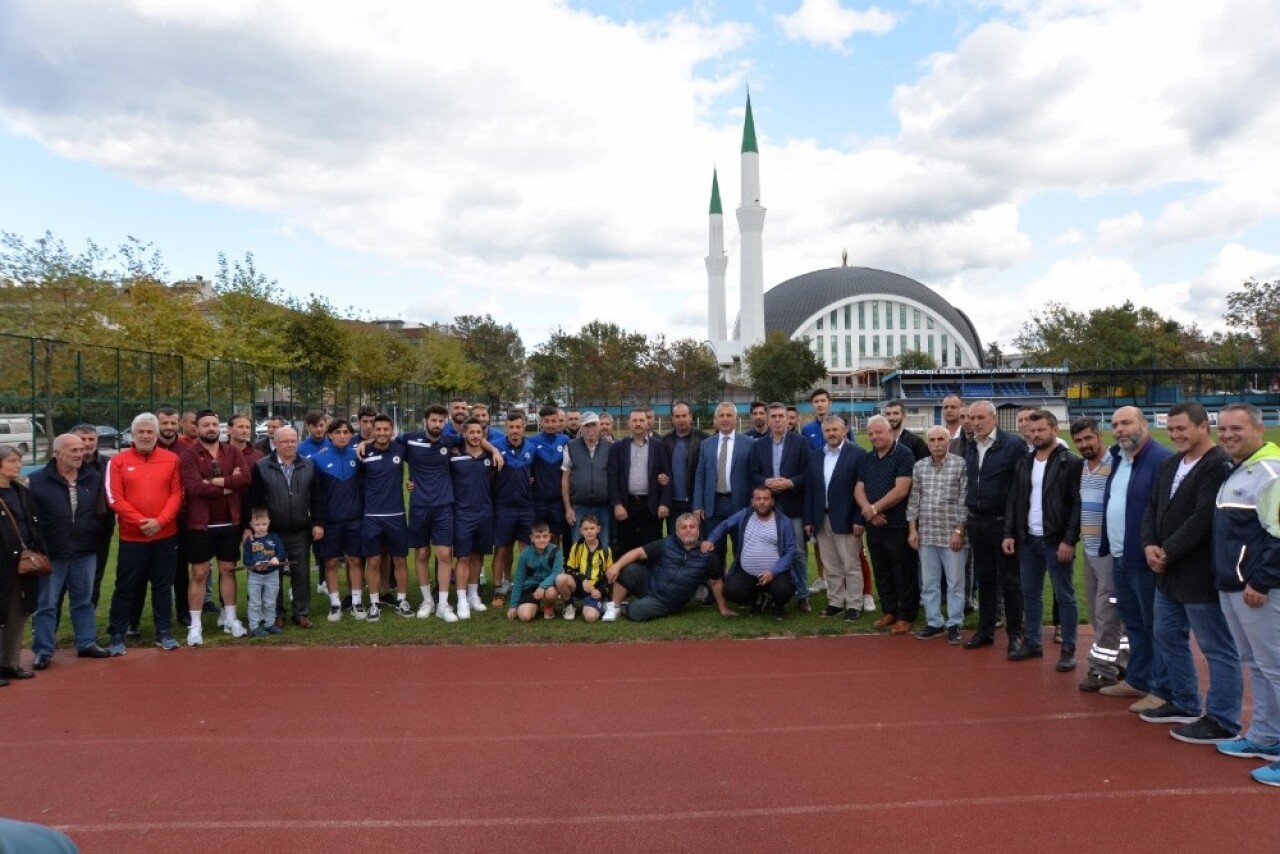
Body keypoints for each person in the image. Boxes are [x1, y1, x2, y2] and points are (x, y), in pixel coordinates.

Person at [1140, 402, 1239, 743]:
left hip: (1199, 574)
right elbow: (1153, 507)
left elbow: (1203, 518)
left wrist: (1167, 551)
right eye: (1171, 429)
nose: (1176, 435)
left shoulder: (1217, 465)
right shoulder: (1171, 462)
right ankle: (1183, 701)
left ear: (1202, 427)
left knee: (1217, 647)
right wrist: (1149, 544)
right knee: (1167, 635)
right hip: (1167, 573)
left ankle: (1223, 720)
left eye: (1182, 428)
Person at [1209, 403, 1280, 786]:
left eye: (1237, 428)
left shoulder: (1271, 471)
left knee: (1276, 668)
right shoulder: (1240, 468)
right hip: (1235, 586)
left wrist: (1261, 581)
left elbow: (1279, 535)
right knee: (1257, 664)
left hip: (1258, 590)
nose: (1228, 435)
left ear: (1258, 427)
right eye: (1223, 429)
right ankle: (1267, 737)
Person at [1099, 406, 1173, 713]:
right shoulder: (1120, 458)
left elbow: (1166, 510)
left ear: (1144, 424)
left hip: (1145, 558)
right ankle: (1139, 679)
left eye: (1126, 423)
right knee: (1135, 624)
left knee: (1156, 626)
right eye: (1115, 424)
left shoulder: (1161, 459)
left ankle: (1164, 688)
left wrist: (1156, 546)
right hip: (1121, 556)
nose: (1120, 429)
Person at [1002, 410, 1082, 668]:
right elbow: (1014, 499)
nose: (1035, 435)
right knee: (1031, 593)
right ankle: (1033, 643)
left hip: (1056, 541)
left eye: (1041, 430)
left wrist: (1069, 540)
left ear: (1054, 430)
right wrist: (1009, 533)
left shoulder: (1070, 462)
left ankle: (1068, 649)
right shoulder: (1025, 462)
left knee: (1065, 596)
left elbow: (1076, 507)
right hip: (1028, 540)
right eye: (1032, 431)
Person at [28, 434, 111, 667]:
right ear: (57, 454)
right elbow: (30, 519)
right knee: (47, 602)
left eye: (80, 449)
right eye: (73, 450)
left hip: (85, 551)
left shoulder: (93, 478)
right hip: (52, 553)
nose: (79, 454)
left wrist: (94, 535)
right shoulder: (37, 481)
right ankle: (43, 650)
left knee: (83, 600)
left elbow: (101, 513)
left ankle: (86, 643)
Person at [105, 413, 184, 654]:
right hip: (133, 538)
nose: (146, 436)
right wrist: (140, 521)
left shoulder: (171, 459)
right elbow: (114, 497)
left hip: (165, 535)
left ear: (157, 434)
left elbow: (177, 494)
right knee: (126, 587)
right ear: (133, 434)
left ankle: (164, 632)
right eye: (141, 431)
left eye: (150, 432)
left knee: (162, 586)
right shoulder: (118, 461)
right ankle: (117, 634)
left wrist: (160, 521)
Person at [180, 410, 251, 646]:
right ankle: (195, 625)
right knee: (200, 573)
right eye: (206, 425)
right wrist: (226, 486)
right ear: (197, 429)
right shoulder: (189, 455)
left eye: (214, 424)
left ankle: (230, 618)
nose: (211, 428)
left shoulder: (231, 451)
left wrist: (214, 482)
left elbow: (245, 479)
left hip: (230, 522)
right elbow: (194, 488)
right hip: (200, 523)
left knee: (228, 570)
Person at [961, 400, 1027, 650]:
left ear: (994, 418)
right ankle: (985, 630)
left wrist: (1011, 527)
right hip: (978, 521)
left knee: (1010, 580)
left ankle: (1014, 635)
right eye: (971, 418)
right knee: (986, 578)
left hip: (1003, 523)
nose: (975, 422)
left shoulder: (1013, 445)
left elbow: (1020, 489)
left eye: (980, 418)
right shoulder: (970, 444)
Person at [245, 426, 324, 629]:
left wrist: (317, 523)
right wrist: (255, 528)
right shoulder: (262, 466)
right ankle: (277, 613)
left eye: (293, 441)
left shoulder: (308, 465)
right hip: (272, 532)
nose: (290, 445)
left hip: (300, 529)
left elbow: (316, 498)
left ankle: (301, 613)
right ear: (276, 444)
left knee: (301, 574)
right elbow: (254, 499)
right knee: (273, 574)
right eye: (285, 442)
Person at [1070, 417, 1128, 691]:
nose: (1084, 445)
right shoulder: (1082, 468)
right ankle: (1126, 662)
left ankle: (1102, 669)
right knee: (1099, 612)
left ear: (1099, 436)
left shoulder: (1117, 465)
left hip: (1111, 551)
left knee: (1107, 611)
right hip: (1090, 551)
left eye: (1088, 439)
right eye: (1079, 441)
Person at [602, 512, 733, 622]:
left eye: (692, 527)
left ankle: (624, 608)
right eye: (684, 527)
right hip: (650, 584)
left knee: (637, 611)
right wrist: (616, 566)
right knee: (628, 568)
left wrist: (722, 607)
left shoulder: (708, 555)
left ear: (698, 530)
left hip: (667, 601)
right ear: (677, 532)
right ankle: (614, 606)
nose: (688, 530)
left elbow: (716, 582)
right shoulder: (667, 543)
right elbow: (638, 552)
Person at [906, 425, 969, 643]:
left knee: (955, 583)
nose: (936, 444)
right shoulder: (920, 466)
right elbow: (914, 500)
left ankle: (954, 623)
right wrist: (913, 530)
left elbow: (964, 500)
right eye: (932, 440)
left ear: (949, 441)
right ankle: (934, 621)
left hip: (953, 535)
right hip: (927, 535)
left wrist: (959, 530)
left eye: (940, 439)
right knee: (929, 582)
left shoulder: (960, 465)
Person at [857, 415, 917, 634]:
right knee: (882, 571)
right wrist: (869, 512)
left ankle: (906, 615)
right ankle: (889, 610)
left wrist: (875, 508)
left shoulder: (904, 454)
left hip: (898, 526)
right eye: (871, 433)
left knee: (903, 572)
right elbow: (859, 488)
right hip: (874, 526)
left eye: (878, 432)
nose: (874, 437)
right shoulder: (868, 457)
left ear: (890, 431)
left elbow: (901, 490)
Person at [748, 402, 810, 610]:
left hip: (793, 505)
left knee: (798, 552)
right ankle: (766, 592)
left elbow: (807, 473)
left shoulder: (800, 442)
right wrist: (765, 482)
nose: (777, 420)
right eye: (773, 416)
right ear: (768, 418)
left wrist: (791, 482)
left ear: (787, 418)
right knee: (767, 550)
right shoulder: (758, 445)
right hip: (767, 508)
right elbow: (753, 473)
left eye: (781, 416)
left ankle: (803, 594)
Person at [804, 415, 865, 621]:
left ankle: (855, 604)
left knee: (851, 564)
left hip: (847, 519)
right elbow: (810, 490)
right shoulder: (815, 456)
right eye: (827, 430)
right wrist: (809, 520)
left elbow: (863, 491)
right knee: (830, 565)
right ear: (823, 433)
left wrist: (859, 519)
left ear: (844, 430)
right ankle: (836, 602)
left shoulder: (857, 454)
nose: (831, 434)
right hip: (822, 519)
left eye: (835, 430)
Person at [703, 486, 798, 619]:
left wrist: (773, 572)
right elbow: (725, 524)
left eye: (766, 498)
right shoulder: (745, 515)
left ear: (772, 501)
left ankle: (777, 605)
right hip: (747, 572)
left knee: (784, 590)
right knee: (730, 591)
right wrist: (711, 540)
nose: (762, 502)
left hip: (775, 573)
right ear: (753, 501)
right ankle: (757, 599)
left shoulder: (784, 522)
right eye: (758, 499)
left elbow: (790, 552)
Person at [357, 414, 412, 621]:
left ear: (392, 431)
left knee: (400, 559)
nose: (381, 433)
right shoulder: (363, 451)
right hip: (371, 515)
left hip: (396, 514)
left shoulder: (400, 448)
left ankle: (402, 600)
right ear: (373, 429)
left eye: (385, 429)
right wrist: (365, 442)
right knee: (373, 560)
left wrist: (412, 482)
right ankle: (374, 603)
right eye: (377, 429)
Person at [0, 444, 47, 684]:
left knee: (18, 613)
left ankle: (10, 662)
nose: (18, 465)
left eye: (19, 460)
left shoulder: (21, 492)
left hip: (22, 563)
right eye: (12, 461)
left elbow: (33, 524)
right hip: (3, 564)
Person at [312, 419, 365, 620]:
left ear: (351, 435)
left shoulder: (358, 455)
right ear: (329, 435)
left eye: (346, 432)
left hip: (354, 519)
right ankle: (335, 604)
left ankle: (357, 602)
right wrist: (318, 521)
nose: (342, 436)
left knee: (354, 560)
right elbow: (316, 495)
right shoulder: (318, 459)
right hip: (331, 522)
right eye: (337, 432)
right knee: (331, 562)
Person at [608, 407, 672, 557]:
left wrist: (664, 503)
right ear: (628, 423)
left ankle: (650, 579)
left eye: (641, 420)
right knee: (625, 547)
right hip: (626, 505)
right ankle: (625, 579)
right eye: (635, 420)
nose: (638, 423)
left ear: (647, 423)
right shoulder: (618, 447)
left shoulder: (659, 446)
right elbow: (612, 477)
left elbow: (668, 475)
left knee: (651, 548)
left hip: (651, 506)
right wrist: (617, 505)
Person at [695, 403, 753, 560]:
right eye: (722, 415)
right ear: (715, 419)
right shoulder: (706, 444)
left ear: (736, 419)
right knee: (714, 551)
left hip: (739, 504)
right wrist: (698, 504)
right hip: (713, 505)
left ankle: (738, 582)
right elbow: (700, 475)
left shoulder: (749, 443)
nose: (725, 419)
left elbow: (753, 475)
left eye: (729, 415)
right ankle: (718, 582)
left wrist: (752, 503)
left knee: (741, 548)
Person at [451, 418, 497, 619]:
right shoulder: (454, 457)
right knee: (463, 557)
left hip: (485, 513)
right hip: (462, 513)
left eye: (479, 432)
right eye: (472, 432)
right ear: (464, 434)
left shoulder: (491, 458)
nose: (476, 436)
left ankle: (473, 594)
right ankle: (461, 599)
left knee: (478, 555)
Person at [493, 410, 536, 606]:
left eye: (518, 427)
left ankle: (526, 585)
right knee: (502, 548)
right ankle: (499, 588)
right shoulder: (496, 447)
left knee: (526, 548)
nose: (515, 431)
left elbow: (534, 474)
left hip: (526, 506)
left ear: (524, 426)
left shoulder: (532, 448)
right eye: (511, 427)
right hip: (503, 506)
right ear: (505, 428)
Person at [70, 423, 114, 609]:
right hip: (68, 532)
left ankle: (89, 616)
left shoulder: (108, 464)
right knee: (60, 578)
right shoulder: (65, 465)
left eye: (91, 439)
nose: (87, 443)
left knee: (94, 576)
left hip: (100, 531)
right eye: (83, 439)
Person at [562, 411, 612, 550]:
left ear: (599, 426)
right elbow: (565, 477)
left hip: (604, 506)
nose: (590, 429)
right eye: (587, 426)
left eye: (593, 425)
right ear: (581, 428)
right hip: (579, 506)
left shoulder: (609, 447)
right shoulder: (571, 447)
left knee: (604, 545)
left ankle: (602, 572)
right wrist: (568, 507)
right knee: (578, 546)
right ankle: (578, 572)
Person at [555, 514, 610, 622]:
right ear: (580, 531)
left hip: (594, 588)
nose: (589, 531)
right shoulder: (576, 547)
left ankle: (601, 604)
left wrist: (600, 590)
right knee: (560, 578)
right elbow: (570, 569)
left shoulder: (605, 550)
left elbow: (609, 576)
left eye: (592, 528)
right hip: (579, 585)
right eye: (586, 529)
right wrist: (583, 580)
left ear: (598, 529)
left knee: (590, 617)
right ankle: (570, 606)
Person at [661, 401, 706, 532]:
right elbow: (660, 468)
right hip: (673, 502)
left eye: (684, 416)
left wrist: (700, 501)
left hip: (695, 501)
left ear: (691, 416)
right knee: (674, 541)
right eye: (677, 416)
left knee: (696, 540)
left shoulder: (704, 439)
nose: (681, 419)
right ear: (672, 418)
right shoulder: (665, 441)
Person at [243, 508, 287, 637]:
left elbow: (281, 552)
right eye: (257, 525)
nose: (261, 527)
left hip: (272, 575)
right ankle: (254, 626)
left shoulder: (274, 537)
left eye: (264, 524)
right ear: (251, 524)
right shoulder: (249, 541)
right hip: (255, 577)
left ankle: (269, 624)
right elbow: (246, 560)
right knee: (255, 602)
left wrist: (276, 558)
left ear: (269, 522)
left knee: (270, 601)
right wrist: (254, 565)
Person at [506, 522, 562, 622]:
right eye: (538, 537)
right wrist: (513, 605)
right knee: (525, 617)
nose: (541, 540)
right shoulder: (525, 554)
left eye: (545, 536)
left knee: (551, 592)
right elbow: (519, 579)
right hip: (530, 586)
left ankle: (548, 606)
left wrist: (542, 586)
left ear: (549, 537)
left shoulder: (556, 551)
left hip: (548, 587)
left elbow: (556, 573)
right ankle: (535, 606)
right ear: (531, 538)